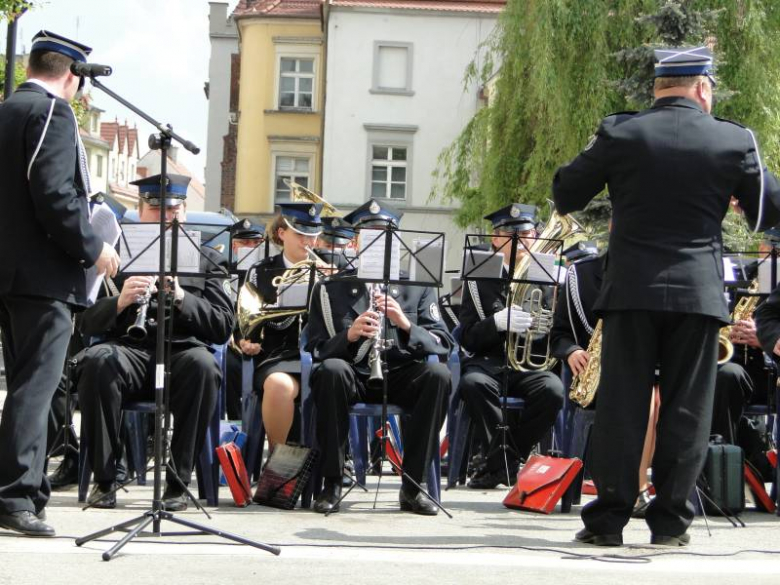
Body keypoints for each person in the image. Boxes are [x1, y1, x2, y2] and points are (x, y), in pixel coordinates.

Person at [553, 46, 780, 547]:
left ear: (658, 86)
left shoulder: (620, 132)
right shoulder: (733, 139)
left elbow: (566, 193)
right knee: (687, 410)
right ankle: (671, 523)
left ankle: (609, 518)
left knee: (622, 406)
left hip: (631, 289)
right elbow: (769, 213)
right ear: (703, 87)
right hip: (697, 294)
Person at [0, 31, 120, 537]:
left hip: (10, 273)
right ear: (71, 75)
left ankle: (13, 489)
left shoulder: (8, 108)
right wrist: (94, 246)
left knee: (22, 383)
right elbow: (54, 194)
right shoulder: (53, 113)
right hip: (43, 276)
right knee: (34, 387)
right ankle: (17, 496)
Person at [77, 174, 233, 510]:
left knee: (204, 366)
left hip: (183, 351)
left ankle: (177, 483)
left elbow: (222, 326)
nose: (165, 216)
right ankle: (106, 478)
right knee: (97, 360)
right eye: (155, 208)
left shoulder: (208, 259)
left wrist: (180, 297)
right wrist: (119, 303)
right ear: (140, 211)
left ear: (184, 212)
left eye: (173, 209)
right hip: (130, 350)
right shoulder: (115, 256)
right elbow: (85, 322)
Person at [306, 199, 453, 515]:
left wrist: (405, 324)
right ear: (356, 242)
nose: (377, 244)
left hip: (400, 373)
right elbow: (316, 347)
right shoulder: (331, 287)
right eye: (369, 237)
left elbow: (442, 343)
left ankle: (413, 486)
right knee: (330, 371)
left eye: (385, 237)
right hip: (354, 375)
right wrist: (349, 336)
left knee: (438, 376)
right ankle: (333, 481)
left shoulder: (418, 285)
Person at [457, 204, 564, 489]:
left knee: (553, 391)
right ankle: (505, 463)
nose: (519, 239)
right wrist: (496, 323)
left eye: (526, 233)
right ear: (495, 239)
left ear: (536, 236)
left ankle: (502, 461)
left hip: (528, 366)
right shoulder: (479, 279)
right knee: (473, 384)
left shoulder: (548, 278)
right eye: (509, 232)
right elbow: (467, 338)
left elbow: (558, 334)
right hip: (490, 364)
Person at [550, 239, 659, 517]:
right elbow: (559, 333)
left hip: (640, 368)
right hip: (595, 372)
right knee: (644, 399)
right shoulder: (582, 275)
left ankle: (638, 485)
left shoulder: (653, 272)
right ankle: (632, 488)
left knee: (654, 399)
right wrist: (572, 351)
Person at [239, 203, 324, 449]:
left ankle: (334, 464)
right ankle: (279, 464)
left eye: (312, 234)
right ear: (281, 233)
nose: (308, 241)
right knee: (278, 385)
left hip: (324, 353)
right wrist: (246, 341)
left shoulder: (331, 269)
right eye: (300, 234)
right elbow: (245, 323)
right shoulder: (261, 271)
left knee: (337, 380)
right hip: (279, 355)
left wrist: (332, 284)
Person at [225, 220, 265, 421]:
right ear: (234, 245)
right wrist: (240, 340)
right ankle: (236, 423)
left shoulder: (269, 272)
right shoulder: (225, 273)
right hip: (235, 341)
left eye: (256, 243)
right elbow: (227, 312)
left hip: (265, 341)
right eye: (244, 243)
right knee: (229, 366)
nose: (250, 248)